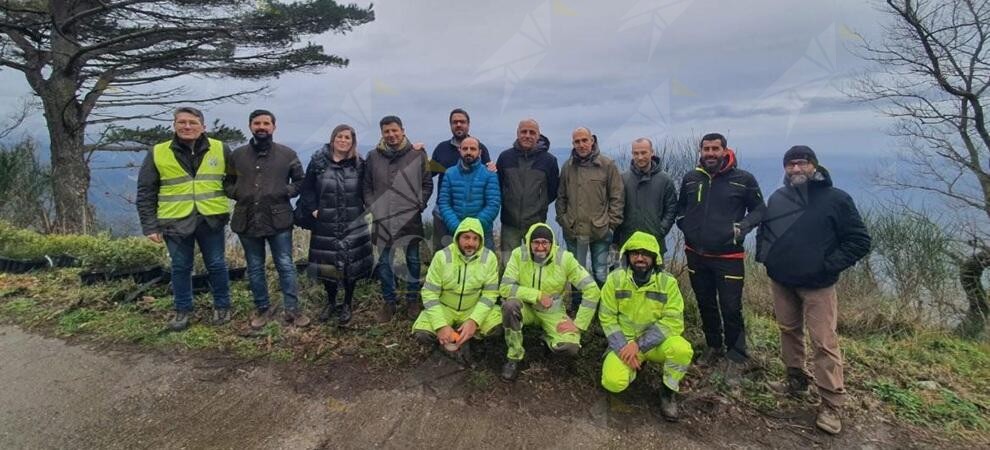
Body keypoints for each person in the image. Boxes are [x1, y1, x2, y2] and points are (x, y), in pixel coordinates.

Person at [756, 146, 871, 435]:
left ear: (814, 166)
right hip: (782, 280)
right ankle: (796, 380)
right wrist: (765, 257)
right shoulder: (779, 198)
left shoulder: (836, 199)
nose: (796, 169)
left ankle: (831, 403)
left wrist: (828, 265)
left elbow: (859, 240)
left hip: (818, 285)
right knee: (788, 330)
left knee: (824, 341)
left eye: (801, 164)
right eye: (790, 165)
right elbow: (765, 231)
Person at [675, 132, 765, 377]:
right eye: (706, 149)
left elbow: (759, 209)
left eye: (716, 149)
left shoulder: (743, 179)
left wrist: (743, 227)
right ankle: (713, 345)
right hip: (696, 254)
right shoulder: (692, 177)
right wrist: (685, 224)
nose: (711, 153)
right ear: (701, 151)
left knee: (730, 306)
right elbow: (681, 206)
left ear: (725, 150)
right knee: (705, 302)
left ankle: (737, 354)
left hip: (728, 257)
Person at [136, 106, 232, 331]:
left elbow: (234, 180)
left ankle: (222, 306)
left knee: (217, 265)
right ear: (175, 125)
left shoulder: (220, 148)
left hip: (211, 218)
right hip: (175, 220)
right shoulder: (158, 152)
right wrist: (150, 226)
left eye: (193, 122)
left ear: (203, 126)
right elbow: (146, 191)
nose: (187, 126)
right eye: (182, 122)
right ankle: (183, 311)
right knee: (180, 267)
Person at [226, 109, 308, 329]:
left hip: (279, 219)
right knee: (254, 266)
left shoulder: (287, 154)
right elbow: (227, 182)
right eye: (257, 123)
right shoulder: (238, 155)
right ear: (250, 126)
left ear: (274, 126)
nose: (261, 127)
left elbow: (301, 181)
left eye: (266, 123)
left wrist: (284, 191)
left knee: (285, 264)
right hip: (247, 219)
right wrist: (238, 193)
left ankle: (293, 309)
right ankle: (262, 309)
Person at [599, 231, 692, 421]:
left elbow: (673, 320)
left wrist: (639, 345)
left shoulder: (668, 283)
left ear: (654, 257)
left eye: (645, 253)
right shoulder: (615, 279)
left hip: (655, 344)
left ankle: (667, 392)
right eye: (635, 253)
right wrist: (625, 347)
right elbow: (607, 317)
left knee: (682, 350)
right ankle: (634, 367)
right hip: (623, 344)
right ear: (628, 256)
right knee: (612, 382)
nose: (640, 258)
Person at [499, 222, 601, 381]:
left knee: (570, 348)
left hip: (552, 311)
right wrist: (537, 295)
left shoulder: (565, 258)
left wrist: (579, 323)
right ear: (529, 243)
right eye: (536, 242)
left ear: (552, 243)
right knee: (509, 306)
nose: (540, 247)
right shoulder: (518, 254)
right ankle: (514, 357)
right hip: (526, 307)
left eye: (545, 243)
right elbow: (505, 287)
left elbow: (592, 289)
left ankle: (547, 338)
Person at [297, 124, 374, 326]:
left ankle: (347, 303)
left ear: (352, 141)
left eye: (347, 137)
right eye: (339, 136)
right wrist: (313, 209)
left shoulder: (359, 164)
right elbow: (306, 189)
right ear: (333, 139)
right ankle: (331, 302)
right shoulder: (318, 162)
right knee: (327, 266)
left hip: (352, 221)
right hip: (326, 223)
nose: (343, 140)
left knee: (351, 266)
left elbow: (368, 188)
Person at [364, 115, 433, 323]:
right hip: (382, 220)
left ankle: (412, 300)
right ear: (382, 134)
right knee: (385, 262)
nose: (391, 135)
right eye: (387, 131)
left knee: (413, 260)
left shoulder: (417, 155)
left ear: (403, 130)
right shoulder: (372, 156)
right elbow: (366, 186)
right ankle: (389, 301)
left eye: (395, 130)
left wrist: (418, 204)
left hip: (410, 219)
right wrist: (373, 207)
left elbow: (427, 184)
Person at [412, 217, 502, 362]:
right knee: (422, 334)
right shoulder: (442, 256)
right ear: (457, 237)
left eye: (475, 239)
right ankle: (448, 341)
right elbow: (429, 293)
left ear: (480, 241)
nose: (470, 243)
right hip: (445, 307)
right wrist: (440, 325)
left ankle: (470, 338)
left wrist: (474, 320)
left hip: (473, 308)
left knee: (497, 328)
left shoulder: (489, 258)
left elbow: (490, 294)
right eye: (466, 237)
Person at [556, 127, 623, 311]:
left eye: (584, 140)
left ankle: (603, 310)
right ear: (573, 144)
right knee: (577, 275)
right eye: (577, 141)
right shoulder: (568, 167)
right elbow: (561, 197)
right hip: (573, 231)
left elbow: (617, 197)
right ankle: (578, 309)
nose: (581, 145)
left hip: (601, 231)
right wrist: (563, 220)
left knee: (601, 274)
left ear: (592, 140)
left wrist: (612, 224)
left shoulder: (607, 165)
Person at [429, 108, 495, 250]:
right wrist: (418, 154)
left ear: (468, 124)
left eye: (462, 122)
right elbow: (427, 175)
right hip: (444, 215)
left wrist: (474, 226)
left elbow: (489, 176)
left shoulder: (480, 146)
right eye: (455, 122)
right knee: (443, 258)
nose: (458, 124)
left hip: (477, 216)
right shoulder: (441, 148)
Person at [495, 119, 558, 258]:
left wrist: (539, 203)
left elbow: (553, 190)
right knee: (508, 264)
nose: (527, 135)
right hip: (509, 223)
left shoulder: (549, 160)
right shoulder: (505, 157)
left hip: (536, 222)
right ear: (517, 133)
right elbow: (498, 186)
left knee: (536, 263)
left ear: (538, 135)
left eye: (532, 132)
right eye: (524, 132)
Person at [614, 138, 678, 254]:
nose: (640, 157)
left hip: (654, 242)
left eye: (643, 153)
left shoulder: (665, 180)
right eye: (636, 153)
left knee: (656, 273)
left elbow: (672, 209)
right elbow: (616, 208)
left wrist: (660, 230)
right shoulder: (623, 179)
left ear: (652, 152)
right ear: (632, 154)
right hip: (627, 242)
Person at [437, 137, 500, 250]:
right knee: (452, 266)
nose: (469, 152)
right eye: (465, 149)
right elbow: (444, 203)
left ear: (479, 152)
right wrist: (457, 227)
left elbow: (493, 204)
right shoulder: (449, 173)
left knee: (485, 265)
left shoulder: (489, 174)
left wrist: (475, 227)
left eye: (473, 149)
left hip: (483, 232)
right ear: (459, 150)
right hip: (454, 231)